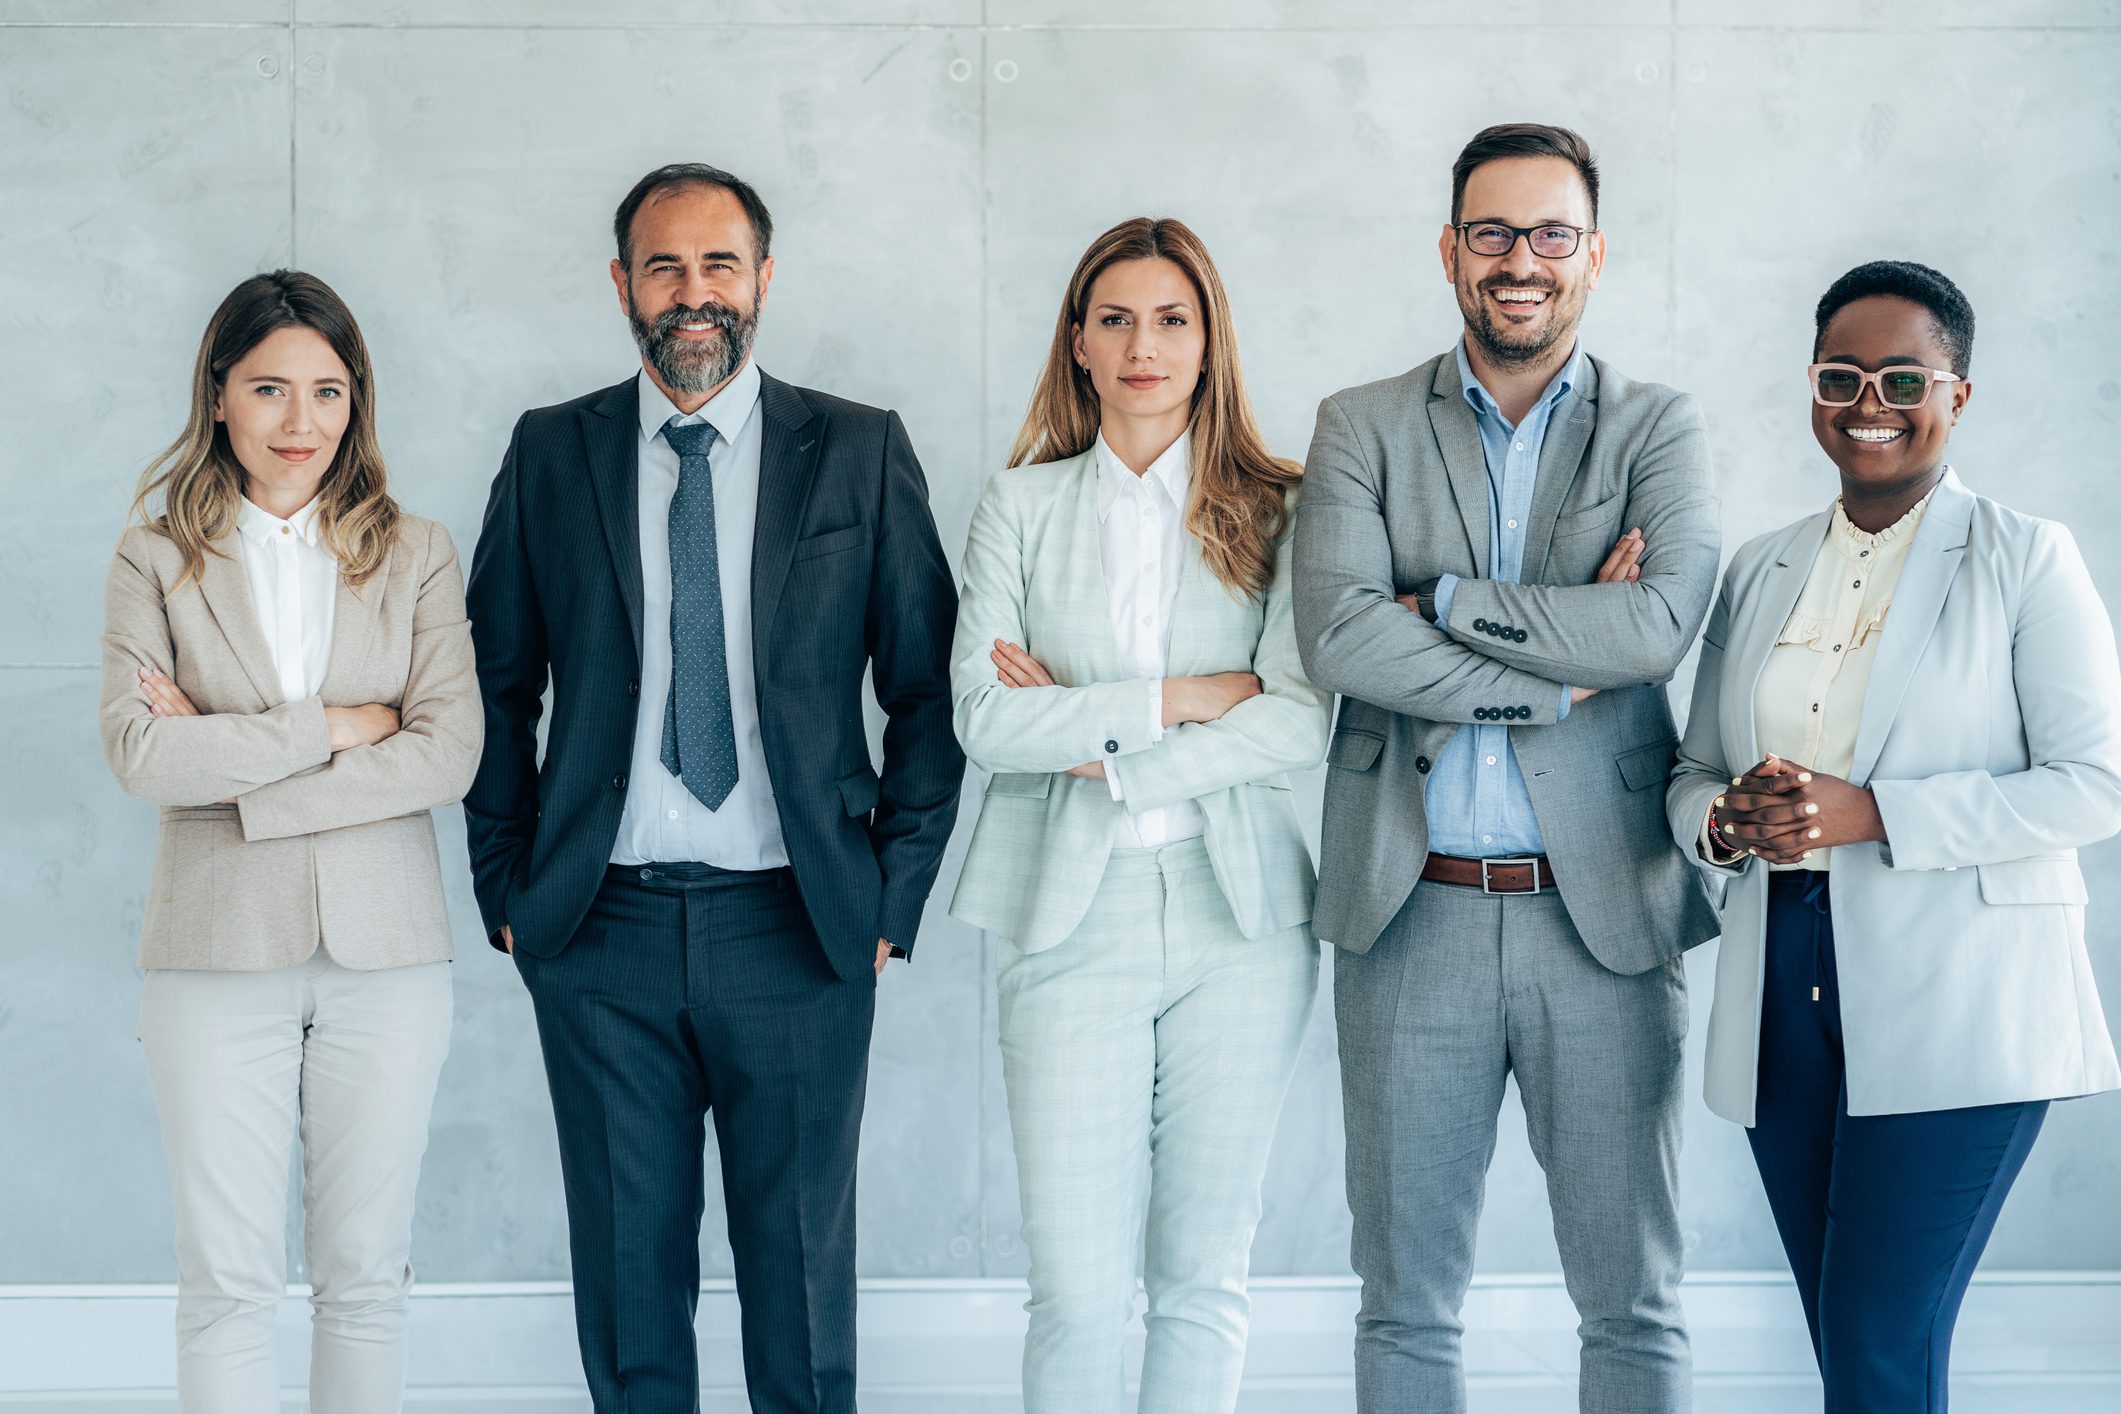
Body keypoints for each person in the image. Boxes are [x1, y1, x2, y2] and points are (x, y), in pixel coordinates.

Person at [462, 162, 963, 1414]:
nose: (696, 295)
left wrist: (890, 897)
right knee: (632, 1309)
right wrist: (509, 890)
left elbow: (927, 689)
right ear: (623, 284)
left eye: (720, 265)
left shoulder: (857, 449)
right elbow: (492, 686)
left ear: (765, 279)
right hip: (598, 928)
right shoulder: (549, 451)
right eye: (667, 267)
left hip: (799, 925)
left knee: (801, 1302)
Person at [1291, 123, 1723, 1414]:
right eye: (1491, 233)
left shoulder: (1658, 424)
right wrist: (1562, 661)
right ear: (1449, 251)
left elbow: (1655, 627)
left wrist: (1444, 605)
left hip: (1603, 913)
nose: (1518, 260)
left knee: (1632, 1302)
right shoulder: (1358, 423)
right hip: (1406, 909)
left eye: (1548, 234)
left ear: (1591, 255)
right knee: (1405, 1303)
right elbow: (1337, 635)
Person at [1667, 260, 2121, 1412]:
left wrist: (1873, 813)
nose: (1870, 399)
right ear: (1812, 390)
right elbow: (1691, 772)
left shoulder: (2028, 555)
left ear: (1956, 394)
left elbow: (2095, 782)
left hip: (1965, 995)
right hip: (1785, 990)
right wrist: (1727, 821)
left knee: (1876, 1336)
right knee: (1848, 1338)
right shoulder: (1759, 568)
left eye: (1904, 376)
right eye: (1841, 375)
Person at [949, 215, 1330, 1413]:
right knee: (1073, 1285)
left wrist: (1105, 742)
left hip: (1244, 925)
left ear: (1210, 342)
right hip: (1069, 919)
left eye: (1171, 318)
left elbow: (1297, 720)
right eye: (1114, 318)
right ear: (1076, 343)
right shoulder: (1017, 504)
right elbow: (986, 721)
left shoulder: (1285, 507)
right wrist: (1186, 701)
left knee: (1204, 1274)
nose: (1142, 344)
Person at [98, 269, 480, 1411]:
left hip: (390, 954)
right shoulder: (154, 556)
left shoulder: (416, 550)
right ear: (220, 397)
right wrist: (329, 728)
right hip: (213, 950)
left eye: (326, 391)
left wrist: (246, 773)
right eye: (270, 390)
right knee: (226, 1278)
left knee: (367, 1277)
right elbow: (139, 754)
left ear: (356, 400)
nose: (300, 422)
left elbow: (447, 753)